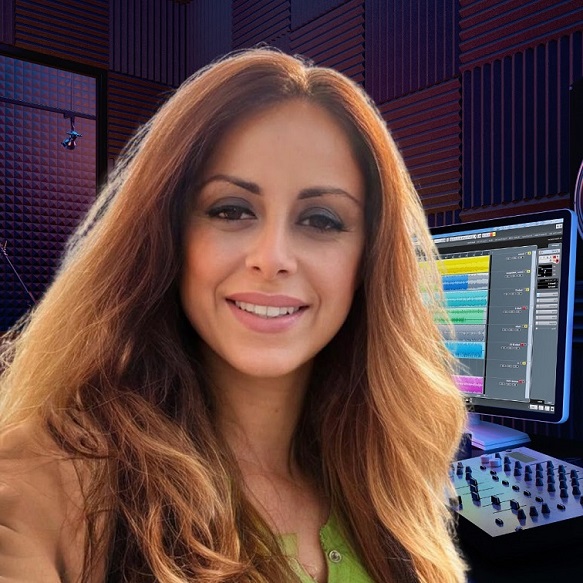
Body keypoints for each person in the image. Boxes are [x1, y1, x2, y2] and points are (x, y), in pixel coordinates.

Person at [0, 48, 467, 582]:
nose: (272, 258)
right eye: (231, 210)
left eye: (321, 219)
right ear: (168, 235)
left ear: (368, 258)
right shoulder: (53, 480)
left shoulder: (391, 464)